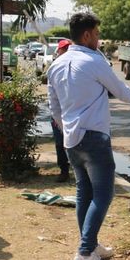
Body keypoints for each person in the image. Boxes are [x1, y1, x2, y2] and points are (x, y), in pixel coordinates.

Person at [48, 13, 130, 260]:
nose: (98, 39)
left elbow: (53, 106)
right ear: (86, 35)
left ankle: (91, 245)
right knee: (103, 194)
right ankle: (85, 252)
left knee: (84, 193)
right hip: (94, 137)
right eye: (97, 34)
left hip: (71, 139)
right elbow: (121, 91)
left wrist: (67, 127)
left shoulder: (56, 64)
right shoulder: (94, 61)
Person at [49, 39, 72, 182]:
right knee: (60, 143)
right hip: (58, 113)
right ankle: (64, 170)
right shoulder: (55, 67)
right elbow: (52, 96)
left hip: (73, 112)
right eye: (64, 49)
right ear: (59, 50)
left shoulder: (75, 65)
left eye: (68, 48)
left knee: (76, 143)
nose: (66, 51)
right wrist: (57, 118)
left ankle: (80, 170)